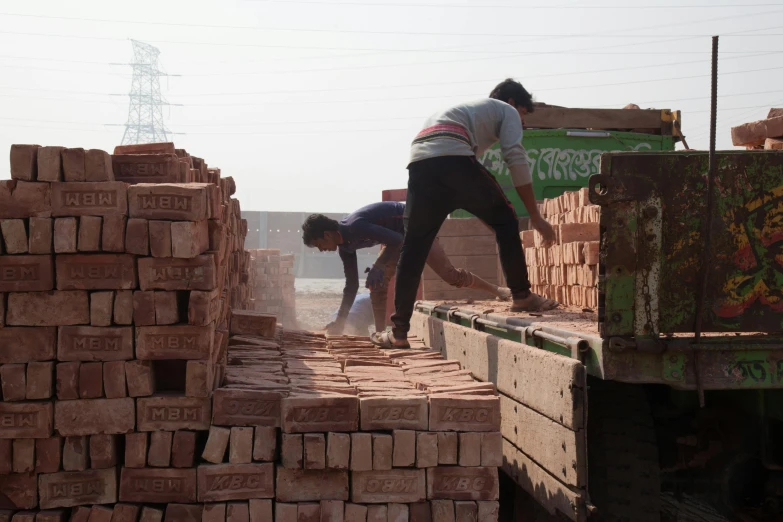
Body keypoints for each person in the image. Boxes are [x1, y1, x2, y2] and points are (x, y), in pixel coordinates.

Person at [373, 78, 559, 349]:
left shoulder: (467, 115)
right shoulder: (504, 111)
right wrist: (536, 217)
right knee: (508, 220)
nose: (523, 123)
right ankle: (521, 296)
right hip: (452, 157)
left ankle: (398, 333)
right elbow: (515, 157)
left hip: (420, 163)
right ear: (512, 103)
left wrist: (494, 221)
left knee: (413, 248)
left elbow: (471, 192)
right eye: (523, 114)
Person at [301, 202, 511, 335]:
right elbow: (351, 286)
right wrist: (340, 321)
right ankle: (382, 334)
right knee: (376, 282)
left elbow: (398, 240)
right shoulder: (344, 248)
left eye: (319, 245)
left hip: (418, 227)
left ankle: (497, 291)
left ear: (327, 235)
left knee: (451, 276)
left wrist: (378, 266)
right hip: (397, 239)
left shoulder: (356, 226)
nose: (321, 250)